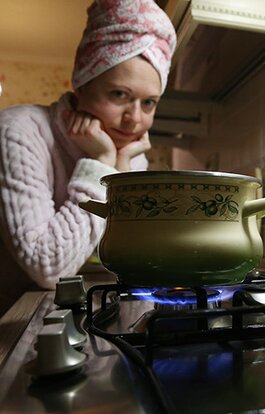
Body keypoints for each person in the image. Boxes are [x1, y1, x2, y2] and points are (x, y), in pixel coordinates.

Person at [0, 0, 176, 316]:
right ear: (81, 84)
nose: (133, 119)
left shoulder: (130, 155)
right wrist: (103, 163)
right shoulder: (20, 131)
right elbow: (48, 267)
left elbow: (129, 254)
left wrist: (119, 167)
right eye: (119, 95)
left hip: (61, 313)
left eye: (148, 103)